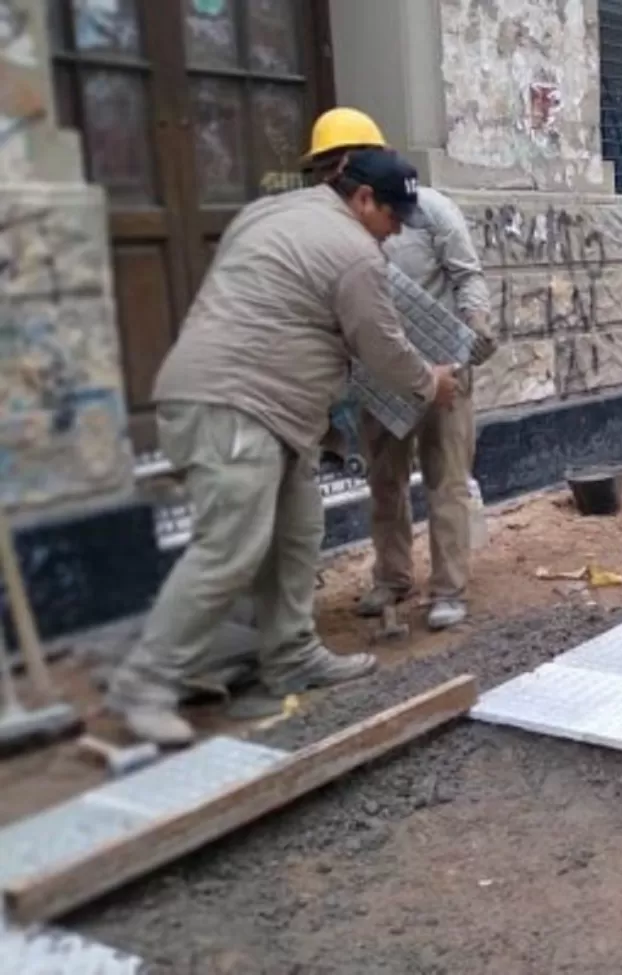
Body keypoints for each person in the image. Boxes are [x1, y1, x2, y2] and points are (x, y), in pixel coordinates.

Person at [106, 149, 460, 745]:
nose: (397, 228)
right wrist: (433, 383)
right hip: (235, 405)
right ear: (363, 199)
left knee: (297, 531)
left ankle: (291, 653)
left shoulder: (266, 212)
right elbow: (382, 346)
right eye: (393, 215)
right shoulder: (355, 254)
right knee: (231, 549)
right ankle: (146, 682)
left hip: (265, 409)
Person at [301, 108, 497, 631]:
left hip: (442, 368)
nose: (328, 174)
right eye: (320, 167)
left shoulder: (430, 211)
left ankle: (448, 589)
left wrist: (475, 327)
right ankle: (392, 578)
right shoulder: (331, 229)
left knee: (446, 480)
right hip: (380, 372)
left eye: (335, 162)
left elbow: (467, 276)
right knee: (384, 481)